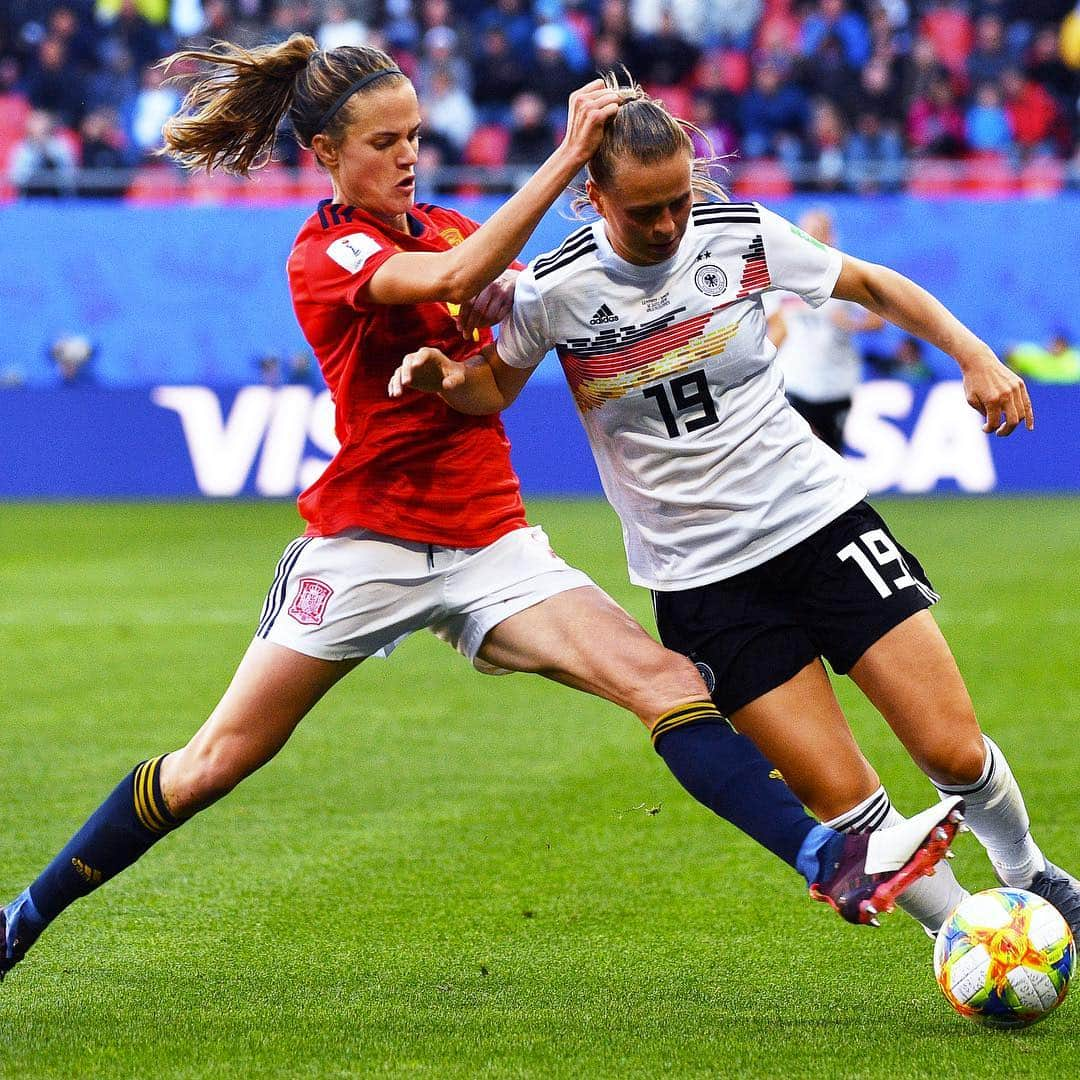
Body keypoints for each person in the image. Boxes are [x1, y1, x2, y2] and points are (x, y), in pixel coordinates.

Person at [0, 38, 962, 983]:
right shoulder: (327, 250)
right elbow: (457, 287)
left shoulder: (455, 228)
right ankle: (23, 918)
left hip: (492, 543)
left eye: (415, 135)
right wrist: (566, 158)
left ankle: (825, 860)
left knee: (664, 680)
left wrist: (471, 364)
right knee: (213, 763)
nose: (409, 156)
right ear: (325, 154)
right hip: (365, 546)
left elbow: (522, 301)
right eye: (383, 142)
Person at [389, 74, 1080, 939]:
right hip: (704, 584)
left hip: (819, 523)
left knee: (951, 752)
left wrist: (974, 354)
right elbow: (491, 386)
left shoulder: (740, 235)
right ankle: (972, 936)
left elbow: (868, 284)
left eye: (678, 200)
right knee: (848, 804)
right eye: (645, 211)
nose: (669, 225)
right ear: (594, 196)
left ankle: (1031, 872)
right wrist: (442, 381)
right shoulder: (554, 291)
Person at [765, 208, 885, 454]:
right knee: (796, 450)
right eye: (806, 232)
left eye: (819, 233)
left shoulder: (843, 277)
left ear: (831, 237)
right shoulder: (781, 279)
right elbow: (773, 326)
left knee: (831, 454)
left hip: (836, 382)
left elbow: (879, 318)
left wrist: (852, 324)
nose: (811, 238)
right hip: (794, 380)